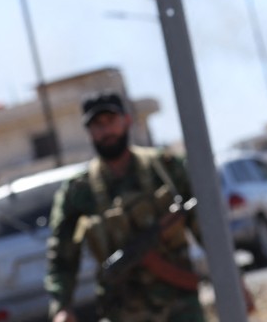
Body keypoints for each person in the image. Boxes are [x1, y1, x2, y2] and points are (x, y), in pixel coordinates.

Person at [46, 91, 203, 322]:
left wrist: (232, 277)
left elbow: (205, 224)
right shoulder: (79, 190)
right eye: (97, 125)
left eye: (111, 120)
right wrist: (61, 306)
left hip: (180, 306)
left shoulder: (164, 167)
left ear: (126, 120)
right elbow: (62, 254)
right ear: (88, 131)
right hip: (122, 310)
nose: (106, 130)